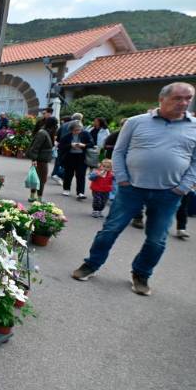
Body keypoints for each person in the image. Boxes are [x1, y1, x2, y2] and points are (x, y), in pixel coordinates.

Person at [72, 82, 196, 296]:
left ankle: (141, 274)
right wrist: (122, 179)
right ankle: (91, 264)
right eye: (178, 98)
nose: (184, 103)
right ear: (162, 99)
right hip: (132, 189)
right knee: (110, 230)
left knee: (157, 240)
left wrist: (184, 186)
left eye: (188, 98)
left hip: (169, 193)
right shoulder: (136, 122)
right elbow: (119, 151)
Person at [58, 122, 94, 199]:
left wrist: (84, 145)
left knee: (81, 174)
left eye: (79, 130)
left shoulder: (85, 134)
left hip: (82, 157)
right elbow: (61, 146)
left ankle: (80, 192)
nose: (77, 131)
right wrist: (71, 145)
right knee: (68, 174)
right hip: (70, 157)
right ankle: (66, 189)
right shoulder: (67, 136)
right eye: (75, 130)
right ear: (71, 130)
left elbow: (92, 144)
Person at [25, 117, 58, 202]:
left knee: (37, 178)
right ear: (53, 125)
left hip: (41, 159)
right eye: (56, 124)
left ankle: (33, 196)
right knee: (41, 179)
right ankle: (38, 198)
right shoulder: (43, 133)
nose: (56, 126)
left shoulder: (44, 132)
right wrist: (34, 159)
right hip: (40, 159)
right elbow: (35, 147)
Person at [51, 113, 84, 184]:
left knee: (59, 160)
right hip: (72, 146)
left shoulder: (65, 124)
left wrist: (58, 142)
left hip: (62, 145)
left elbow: (58, 134)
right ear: (80, 119)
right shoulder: (79, 125)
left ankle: (55, 174)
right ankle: (59, 175)